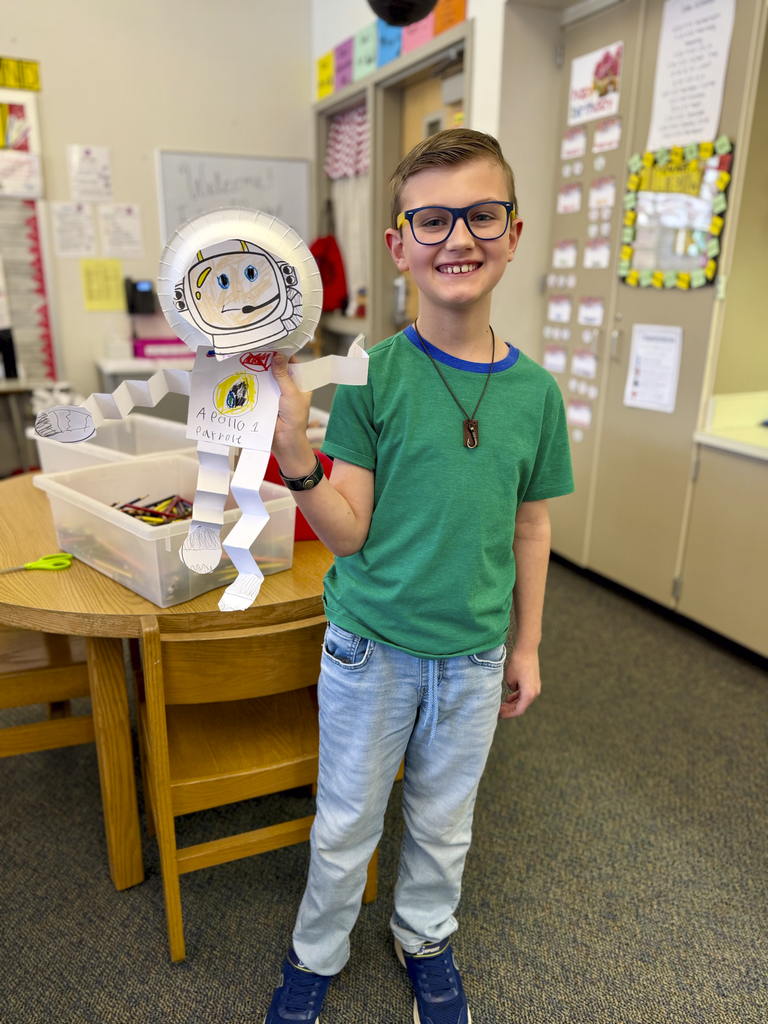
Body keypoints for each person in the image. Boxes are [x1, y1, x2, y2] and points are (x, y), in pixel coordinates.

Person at [264, 128, 574, 1023]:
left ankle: (424, 936)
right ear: (399, 245)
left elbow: (531, 523)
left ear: (513, 235)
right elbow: (349, 536)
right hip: (373, 652)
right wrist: (296, 457)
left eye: (482, 215)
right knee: (347, 823)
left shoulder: (538, 395)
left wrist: (530, 644)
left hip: (475, 658)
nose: (458, 238)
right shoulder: (371, 378)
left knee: (444, 824)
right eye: (431, 220)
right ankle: (315, 951)